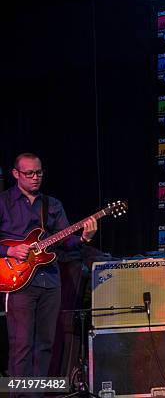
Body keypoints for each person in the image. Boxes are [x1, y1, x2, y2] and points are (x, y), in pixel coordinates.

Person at [0, 153, 97, 393]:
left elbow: (66, 241)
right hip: (18, 280)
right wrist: (10, 250)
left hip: (49, 280)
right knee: (21, 344)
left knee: (44, 344)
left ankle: (36, 394)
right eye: (29, 173)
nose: (35, 178)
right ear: (16, 174)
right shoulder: (3, 202)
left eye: (39, 173)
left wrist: (83, 238)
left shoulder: (52, 205)